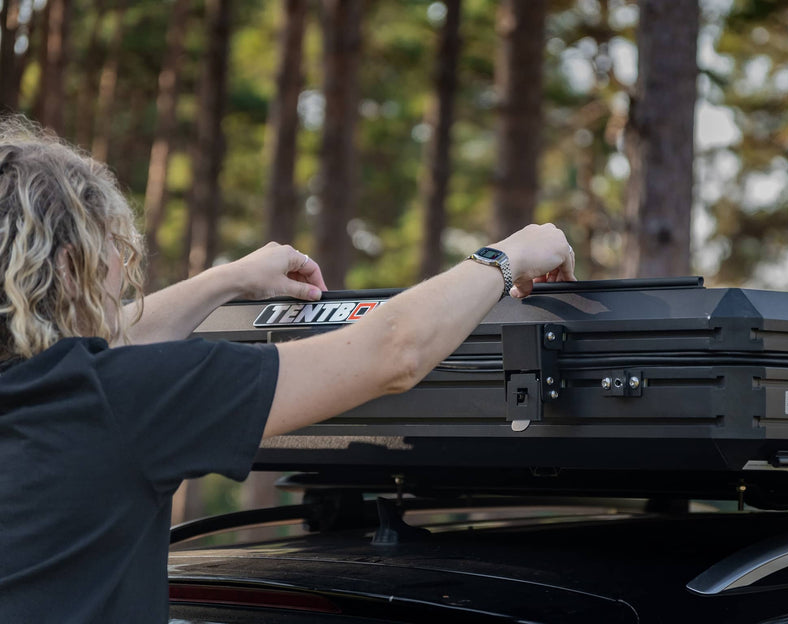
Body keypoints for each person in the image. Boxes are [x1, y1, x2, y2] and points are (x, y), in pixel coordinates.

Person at [0, 118, 576, 623]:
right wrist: (507, 257)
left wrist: (227, 279)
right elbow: (393, 353)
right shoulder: (119, 401)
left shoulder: (46, 389)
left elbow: (102, 339)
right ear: (71, 268)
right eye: (112, 252)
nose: (122, 269)